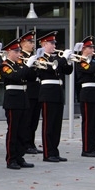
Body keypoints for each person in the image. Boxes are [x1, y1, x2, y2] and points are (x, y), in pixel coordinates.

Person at [0, 37, 37, 170]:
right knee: (13, 131)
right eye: (16, 51)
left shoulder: (20, 65)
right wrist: (27, 66)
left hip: (23, 99)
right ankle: (11, 159)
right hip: (13, 101)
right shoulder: (5, 65)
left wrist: (33, 66)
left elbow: (31, 78)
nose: (19, 54)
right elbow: (15, 77)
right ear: (9, 52)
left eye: (19, 51)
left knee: (23, 130)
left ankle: (20, 157)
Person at [35, 31, 73, 163]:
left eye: (54, 43)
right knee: (49, 125)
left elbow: (68, 71)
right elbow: (50, 69)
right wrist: (63, 59)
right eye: (51, 43)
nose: (54, 46)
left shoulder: (56, 58)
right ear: (44, 44)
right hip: (47, 93)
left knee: (57, 125)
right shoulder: (41, 58)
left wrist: (68, 61)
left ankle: (54, 151)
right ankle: (47, 153)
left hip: (57, 92)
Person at [19, 30, 43, 155]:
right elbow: (25, 74)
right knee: (27, 120)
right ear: (23, 43)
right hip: (28, 90)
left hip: (37, 91)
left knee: (34, 120)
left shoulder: (34, 57)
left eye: (33, 42)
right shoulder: (20, 57)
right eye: (30, 42)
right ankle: (25, 144)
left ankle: (31, 142)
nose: (33, 44)